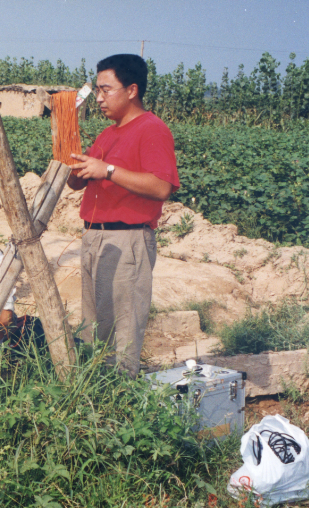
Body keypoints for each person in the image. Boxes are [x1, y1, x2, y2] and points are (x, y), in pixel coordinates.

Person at [67, 54, 180, 378]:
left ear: (131, 90)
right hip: (95, 236)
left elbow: (161, 186)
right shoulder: (107, 134)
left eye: (106, 90)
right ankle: (96, 400)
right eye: (97, 91)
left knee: (121, 333)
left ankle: (120, 400)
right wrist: (69, 151)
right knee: (94, 328)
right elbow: (76, 182)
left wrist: (109, 170)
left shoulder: (152, 130)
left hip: (126, 239)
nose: (99, 98)